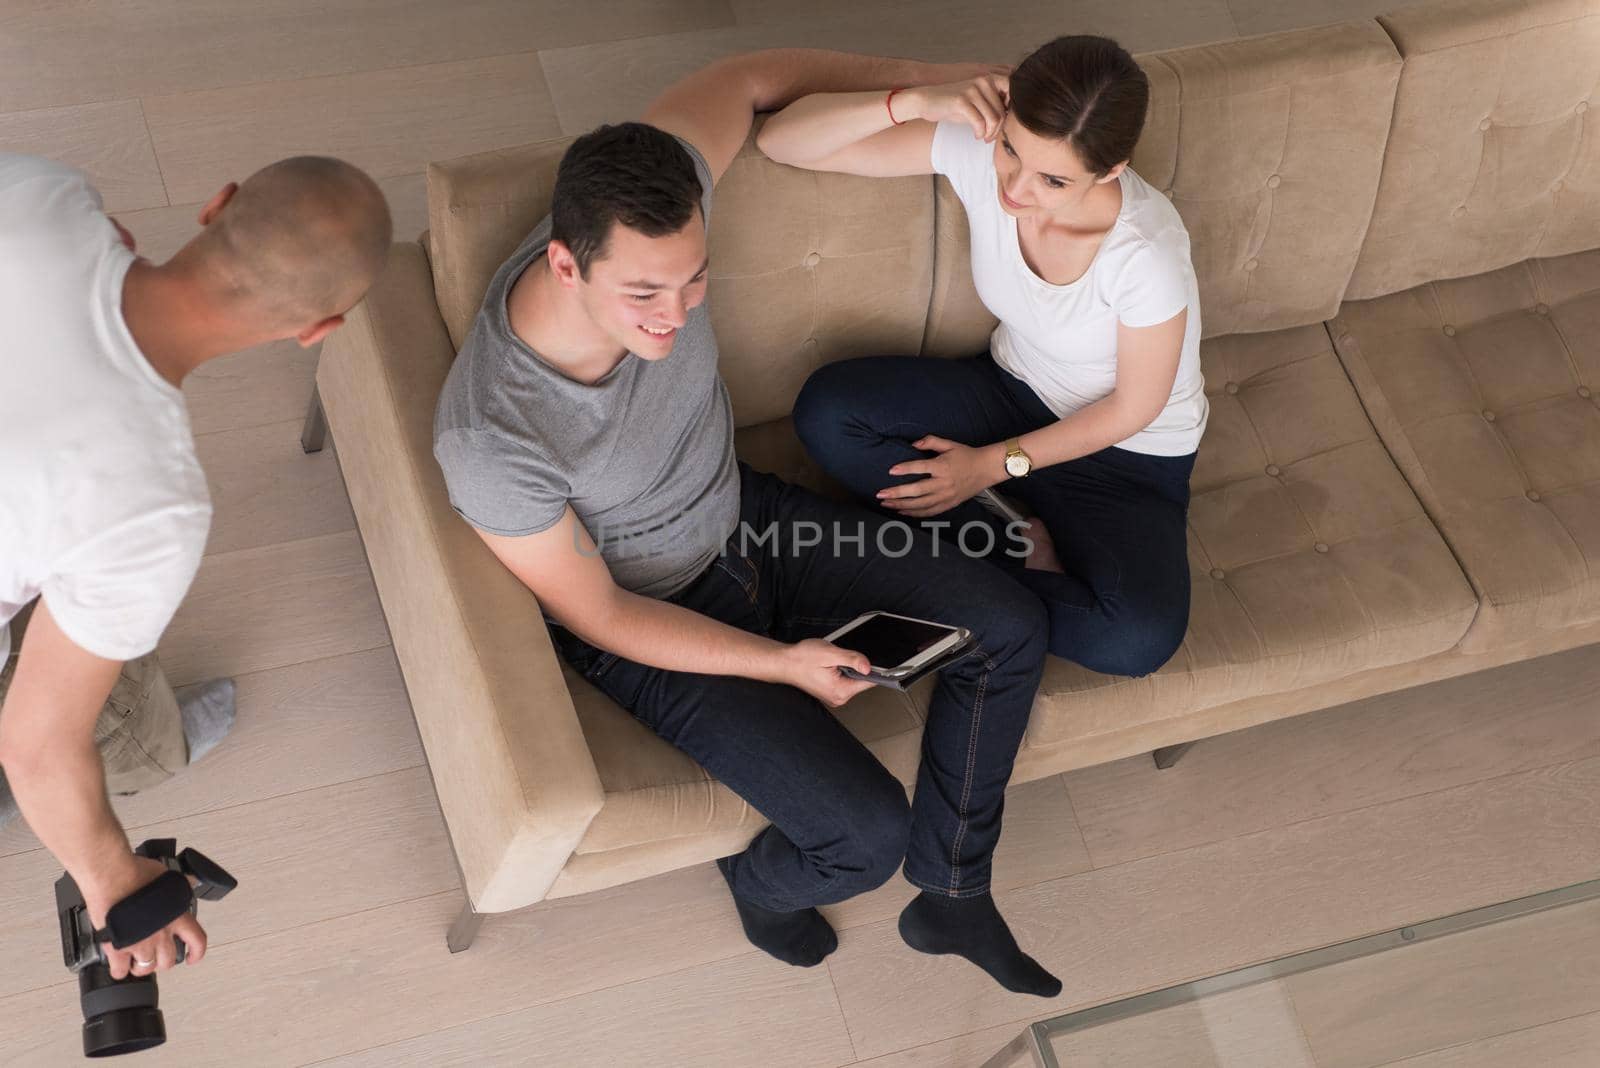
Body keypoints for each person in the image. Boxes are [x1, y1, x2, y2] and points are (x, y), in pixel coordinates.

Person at [434, 51, 1064, 997]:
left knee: (1012, 625)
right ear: (563, 263)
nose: (676, 316)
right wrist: (785, 663)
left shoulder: (661, 192)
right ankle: (757, 883)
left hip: (755, 520)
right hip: (653, 620)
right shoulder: (491, 436)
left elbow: (747, 76)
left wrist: (930, 86)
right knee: (865, 837)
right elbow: (598, 615)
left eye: (692, 283)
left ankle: (955, 891)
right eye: (644, 295)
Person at [0, 152, 391, 983]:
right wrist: (113, 884)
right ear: (317, 329)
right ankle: (146, 751)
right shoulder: (154, 509)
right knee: (74, 697)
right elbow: (35, 742)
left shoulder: (43, 194)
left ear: (217, 203)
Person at [764, 36, 1206, 678]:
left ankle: (962, 561)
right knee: (831, 411)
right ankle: (1004, 556)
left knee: (1133, 640)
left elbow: (1134, 407)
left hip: (1126, 459)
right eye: (1011, 151)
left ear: (1110, 171)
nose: (1016, 189)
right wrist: (912, 99)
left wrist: (990, 468)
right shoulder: (981, 147)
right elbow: (784, 141)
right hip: (1011, 394)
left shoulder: (1145, 254)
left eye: (1053, 180)